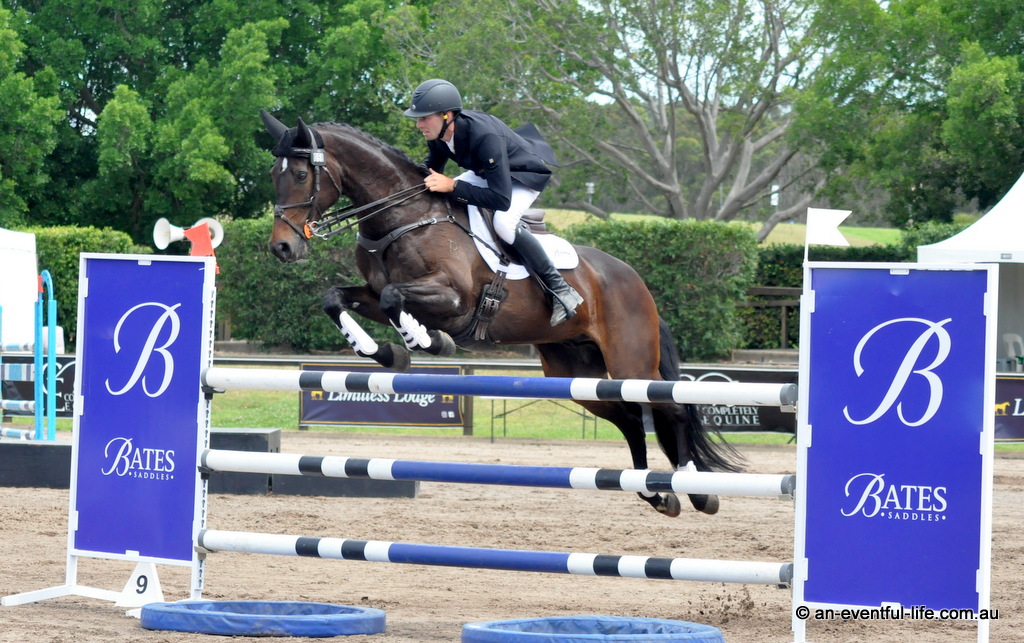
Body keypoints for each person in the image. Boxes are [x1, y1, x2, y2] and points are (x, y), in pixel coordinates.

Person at [403, 79, 583, 326]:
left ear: (447, 115)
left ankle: (560, 288)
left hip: (521, 178)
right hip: (489, 175)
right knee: (441, 193)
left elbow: (499, 198)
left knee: (504, 224)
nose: (418, 124)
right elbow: (431, 168)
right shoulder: (438, 132)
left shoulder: (484, 135)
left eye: (424, 118)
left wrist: (454, 185)